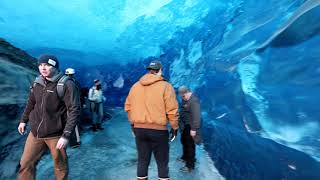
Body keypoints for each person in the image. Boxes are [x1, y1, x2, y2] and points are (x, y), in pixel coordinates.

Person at [17, 54, 81, 180]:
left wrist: (66, 135)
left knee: (60, 165)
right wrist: (23, 121)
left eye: (47, 65)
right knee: (25, 163)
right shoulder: (37, 82)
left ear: (55, 67)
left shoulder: (66, 84)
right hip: (36, 132)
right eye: (40, 65)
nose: (43, 68)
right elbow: (31, 103)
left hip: (56, 134)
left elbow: (74, 110)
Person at [125, 60, 179, 180]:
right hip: (159, 131)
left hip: (139, 130)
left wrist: (133, 124)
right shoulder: (166, 86)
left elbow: (128, 107)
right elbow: (172, 110)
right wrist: (175, 128)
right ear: (160, 71)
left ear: (149, 71)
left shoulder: (135, 86)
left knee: (142, 160)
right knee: (162, 162)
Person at [177, 86, 201, 172]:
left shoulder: (194, 101)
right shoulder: (186, 99)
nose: (183, 97)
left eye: (183, 95)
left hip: (191, 126)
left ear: (187, 92)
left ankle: (190, 165)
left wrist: (194, 129)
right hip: (185, 125)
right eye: (181, 96)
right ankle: (185, 157)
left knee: (190, 144)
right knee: (184, 141)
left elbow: (197, 116)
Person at [65, 68, 81, 148]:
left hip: (70, 106)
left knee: (72, 124)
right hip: (71, 106)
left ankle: (74, 141)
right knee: (73, 124)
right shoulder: (73, 83)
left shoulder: (64, 82)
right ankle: (73, 142)